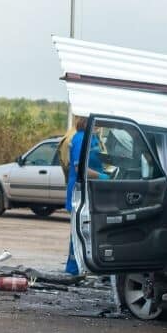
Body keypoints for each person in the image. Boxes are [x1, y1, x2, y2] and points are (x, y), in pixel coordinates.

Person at [65, 117, 109, 275]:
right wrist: (102, 177)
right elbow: (79, 168)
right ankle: (73, 269)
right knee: (79, 231)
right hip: (80, 190)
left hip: (92, 189)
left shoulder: (93, 137)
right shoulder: (80, 138)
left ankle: (87, 267)